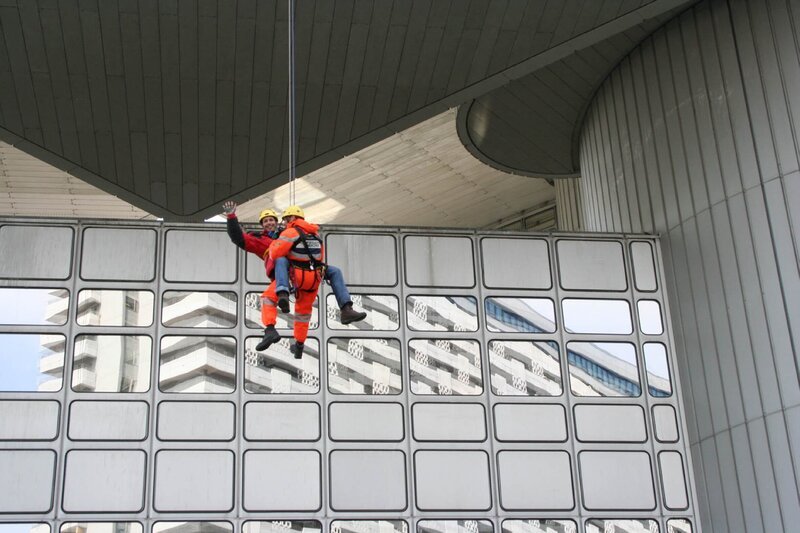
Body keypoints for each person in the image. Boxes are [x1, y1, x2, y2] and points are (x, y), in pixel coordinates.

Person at [222, 202, 366, 352]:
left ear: (280, 221)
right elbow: (238, 238)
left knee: (294, 308)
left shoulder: (289, 233)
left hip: (296, 275)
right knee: (288, 304)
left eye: (271, 219)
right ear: (262, 225)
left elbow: (290, 253)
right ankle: (275, 331)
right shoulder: (263, 240)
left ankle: (296, 342)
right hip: (298, 276)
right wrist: (231, 217)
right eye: (265, 221)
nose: (269, 223)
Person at [256, 205, 329, 358]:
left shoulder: (289, 233)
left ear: (291, 219)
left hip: (292, 275)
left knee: (268, 298)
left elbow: (276, 254)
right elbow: (320, 257)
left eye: (285, 219)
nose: (284, 222)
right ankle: (299, 345)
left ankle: (270, 328)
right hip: (312, 278)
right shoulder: (315, 234)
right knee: (303, 313)